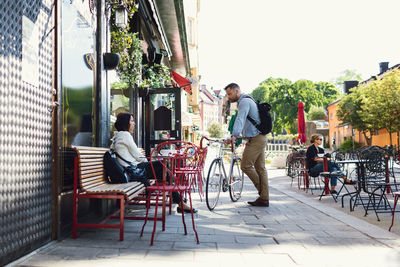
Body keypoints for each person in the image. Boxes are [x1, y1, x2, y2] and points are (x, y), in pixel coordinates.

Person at [111, 113, 195, 213]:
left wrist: (149, 164)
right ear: (126, 123)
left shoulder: (118, 135)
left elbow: (134, 155)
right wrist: (149, 163)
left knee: (163, 169)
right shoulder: (125, 135)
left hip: (130, 170)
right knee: (162, 166)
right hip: (132, 171)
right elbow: (138, 156)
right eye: (132, 121)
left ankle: (178, 200)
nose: (134, 123)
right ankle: (179, 200)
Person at [225, 83, 269, 207]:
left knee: (245, 166)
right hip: (260, 137)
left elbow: (241, 118)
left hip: (256, 139)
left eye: (230, 94)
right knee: (261, 168)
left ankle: (263, 193)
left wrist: (235, 134)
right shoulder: (249, 100)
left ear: (237, 91)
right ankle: (264, 198)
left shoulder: (244, 102)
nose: (228, 97)